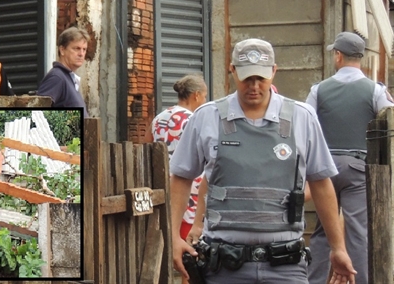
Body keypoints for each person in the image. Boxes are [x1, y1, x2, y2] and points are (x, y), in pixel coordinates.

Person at [170, 38, 356, 284]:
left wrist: (338, 248)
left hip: (285, 265)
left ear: (274, 72)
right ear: (233, 70)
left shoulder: (302, 118)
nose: (254, 86)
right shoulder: (207, 118)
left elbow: (321, 184)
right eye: (247, 77)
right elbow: (181, 177)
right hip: (225, 266)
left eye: (261, 78)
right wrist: (174, 236)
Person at [306, 32, 393, 284]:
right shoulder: (376, 90)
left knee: (324, 230)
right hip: (358, 166)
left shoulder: (319, 90)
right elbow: (389, 122)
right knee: (358, 231)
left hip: (325, 169)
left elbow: (306, 124)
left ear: (338, 55)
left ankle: (316, 281)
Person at [150, 74, 207, 241]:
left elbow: (146, 144)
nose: (204, 101)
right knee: (188, 240)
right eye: (204, 96)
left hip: (163, 183)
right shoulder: (193, 119)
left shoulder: (158, 118)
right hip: (189, 187)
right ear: (196, 95)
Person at [37, 26, 90, 117]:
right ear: (62, 50)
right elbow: (38, 112)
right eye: (76, 48)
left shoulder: (67, 77)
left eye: (84, 49)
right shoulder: (57, 77)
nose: (81, 54)